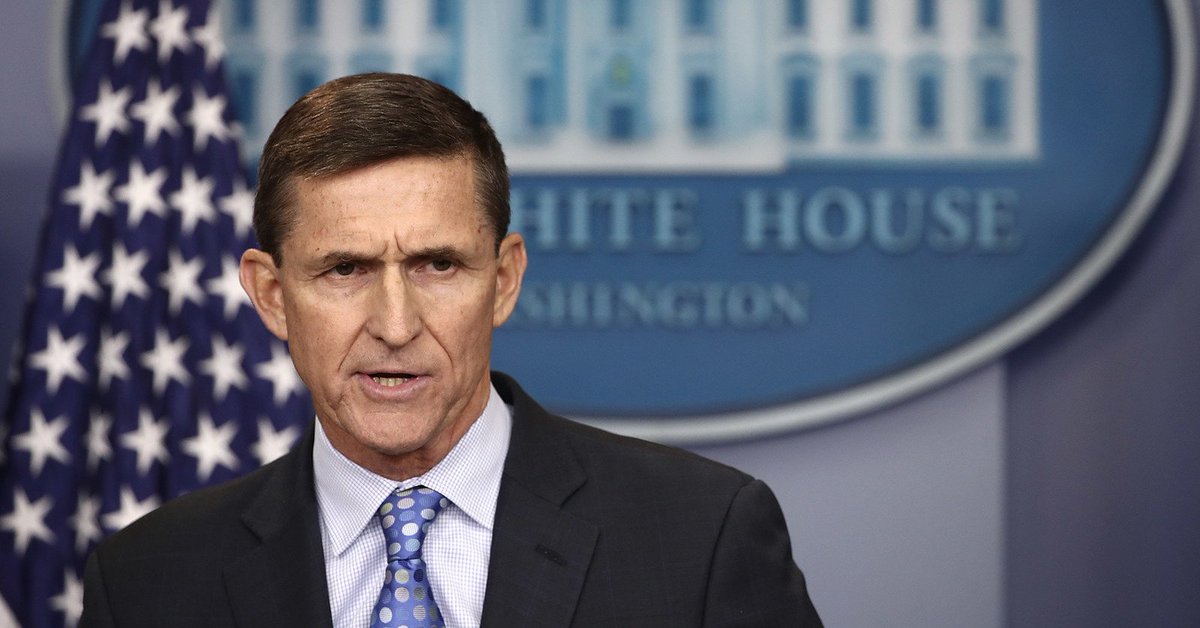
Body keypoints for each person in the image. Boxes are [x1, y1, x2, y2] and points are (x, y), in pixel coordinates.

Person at [80, 73, 821, 627]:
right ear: (271, 295)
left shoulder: (701, 537)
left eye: (438, 265)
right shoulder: (147, 583)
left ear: (504, 280)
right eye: (346, 270)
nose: (395, 325)